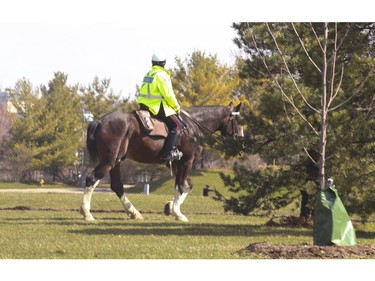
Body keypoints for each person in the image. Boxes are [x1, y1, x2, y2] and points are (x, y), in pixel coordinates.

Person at [137, 53, 184, 163]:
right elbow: (168, 95)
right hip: (155, 107)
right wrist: (176, 108)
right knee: (177, 125)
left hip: (143, 106)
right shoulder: (161, 75)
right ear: (164, 63)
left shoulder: (149, 73)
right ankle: (168, 154)